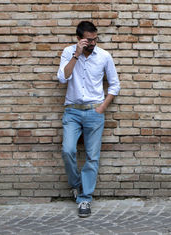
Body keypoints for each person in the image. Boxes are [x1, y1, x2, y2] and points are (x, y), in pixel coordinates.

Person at [57, 21, 120, 217]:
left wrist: (102, 107)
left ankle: (85, 198)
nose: (93, 43)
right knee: (68, 150)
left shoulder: (104, 56)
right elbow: (62, 78)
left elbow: (115, 85)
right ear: (79, 39)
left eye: (95, 39)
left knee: (92, 157)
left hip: (94, 111)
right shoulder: (69, 52)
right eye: (88, 39)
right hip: (72, 112)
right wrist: (76, 55)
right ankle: (76, 185)